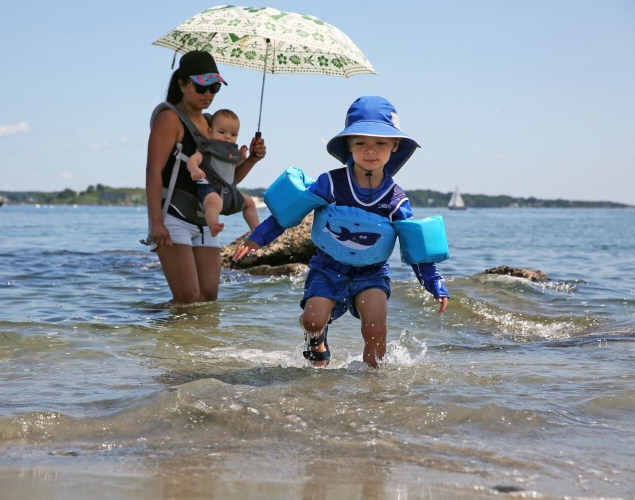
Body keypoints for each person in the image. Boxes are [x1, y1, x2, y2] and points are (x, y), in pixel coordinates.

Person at [233, 96, 449, 368]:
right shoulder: (330, 184)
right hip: (327, 266)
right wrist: (258, 238)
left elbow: (417, 249)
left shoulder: (396, 200)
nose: (370, 151)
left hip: (371, 272)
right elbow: (289, 212)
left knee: (375, 328)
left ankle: (375, 388)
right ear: (349, 144)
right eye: (361, 143)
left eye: (380, 143)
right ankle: (317, 337)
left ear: (395, 146)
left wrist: (434, 284)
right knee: (312, 321)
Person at [146, 50, 266, 304]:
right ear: (181, 83)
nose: (208, 94)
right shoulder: (170, 118)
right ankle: (153, 337)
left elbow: (226, 181)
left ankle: (193, 344)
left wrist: (252, 159)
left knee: (208, 297)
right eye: (201, 86)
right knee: (188, 297)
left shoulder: (213, 124)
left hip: (204, 220)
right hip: (174, 218)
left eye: (214, 87)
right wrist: (156, 222)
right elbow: (153, 171)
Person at [185, 108, 260, 237]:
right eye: (221, 132)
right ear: (210, 132)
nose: (227, 137)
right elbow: (193, 160)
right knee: (214, 202)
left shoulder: (232, 152)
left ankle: (257, 231)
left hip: (230, 193)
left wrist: (242, 158)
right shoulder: (207, 149)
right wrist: (194, 169)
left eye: (233, 134)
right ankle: (213, 225)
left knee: (249, 203)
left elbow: (232, 168)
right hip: (210, 190)